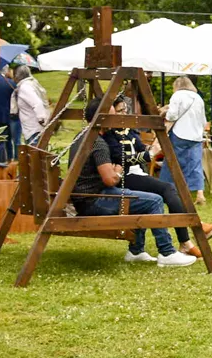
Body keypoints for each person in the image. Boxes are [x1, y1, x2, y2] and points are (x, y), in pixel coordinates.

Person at [70, 95, 196, 267]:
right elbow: (110, 180)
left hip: (85, 197)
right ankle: (167, 253)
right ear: (101, 117)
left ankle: (136, 251)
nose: (116, 119)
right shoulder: (98, 143)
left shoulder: (82, 135)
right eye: (113, 115)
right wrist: (119, 171)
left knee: (143, 197)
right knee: (154, 201)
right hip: (94, 200)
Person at [103, 95, 212, 261]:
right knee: (167, 188)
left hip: (137, 173)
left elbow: (140, 148)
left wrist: (153, 145)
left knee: (163, 193)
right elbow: (120, 158)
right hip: (124, 176)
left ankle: (140, 249)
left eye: (125, 110)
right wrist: (149, 154)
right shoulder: (108, 135)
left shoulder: (128, 130)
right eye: (119, 111)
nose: (124, 113)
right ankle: (191, 233)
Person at [160, 76, 209, 204]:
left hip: (180, 134)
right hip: (196, 136)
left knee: (173, 163)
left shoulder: (177, 96)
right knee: (196, 165)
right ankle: (199, 193)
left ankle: (170, 191)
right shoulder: (198, 98)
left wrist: (165, 112)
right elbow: (204, 121)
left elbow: (172, 115)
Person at [11, 65, 51, 148]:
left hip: (33, 127)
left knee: (34, 153)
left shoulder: (25, 87)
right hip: (35, 127)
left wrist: (41, 118)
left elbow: (37, 103)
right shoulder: (31, 83)